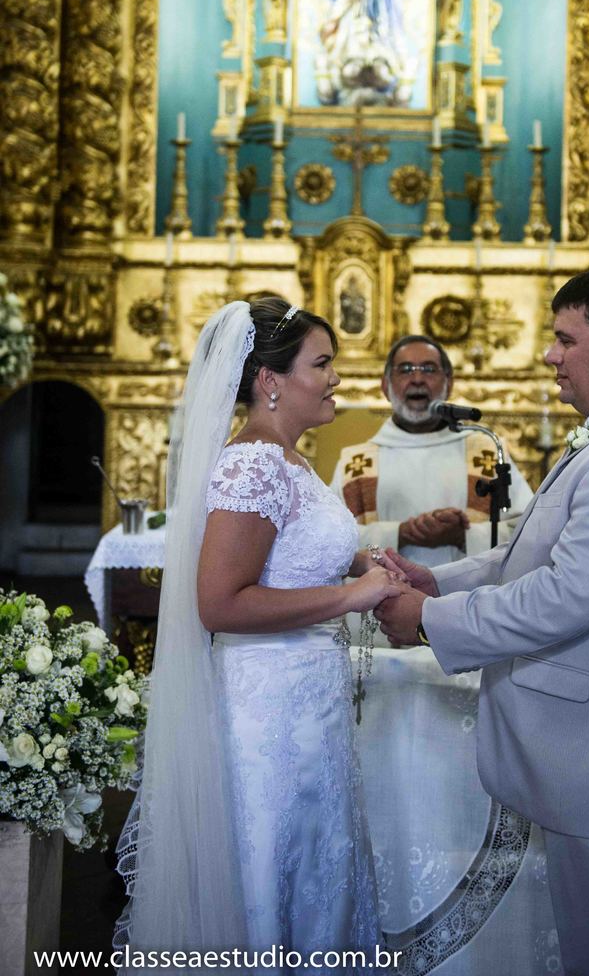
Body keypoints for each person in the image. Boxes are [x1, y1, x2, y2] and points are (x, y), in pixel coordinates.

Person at [374, 269, 589, 976]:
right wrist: (436, 578)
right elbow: (530, 550)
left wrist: (430, 620)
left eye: (564, 339)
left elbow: (567, 595)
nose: (549, 356)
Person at [115, 297, 405, 968]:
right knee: (270, 875)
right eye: (322, 363)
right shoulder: (252, 463)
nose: (336, 377)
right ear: (269, 380)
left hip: (309, 710)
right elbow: (220, 603)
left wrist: (363, 562)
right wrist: (350, 595)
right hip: (267, 716)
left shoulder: (290, 461)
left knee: (314, 871)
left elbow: (288, 555)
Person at [330, 334, 533, 569]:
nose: (417, 378)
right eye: (405, 369)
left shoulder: (486, 452)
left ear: (450, 384)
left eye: (429, 369)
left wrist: (463, 536)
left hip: (466, 600)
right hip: (383, 600)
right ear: (385, 386)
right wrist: (400, 533)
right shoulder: (356, 463)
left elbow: (526, 531)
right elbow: (331, 541)